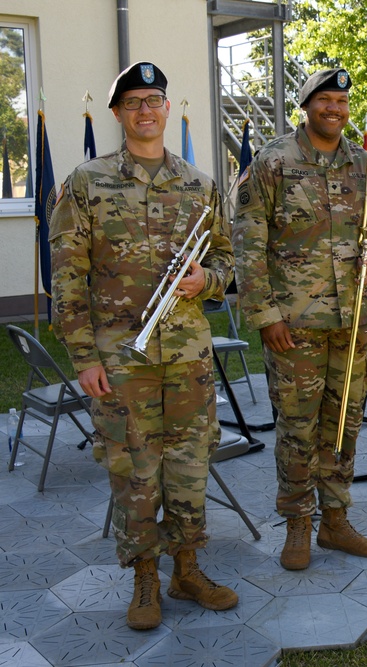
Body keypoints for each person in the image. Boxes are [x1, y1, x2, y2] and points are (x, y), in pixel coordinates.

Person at [49, 62, 238, 630]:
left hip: (187, 356)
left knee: (188, 464)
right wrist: (83, 359)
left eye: (154, 99)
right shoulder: (87, 183)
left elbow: (230, 260)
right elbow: (65, 277)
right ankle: (144, 579)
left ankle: (186, 567)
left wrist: (209, 280)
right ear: (118, 114)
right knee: (134, 470)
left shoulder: (200, 185)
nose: (146, 110)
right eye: (133, 102)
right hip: (119, 359)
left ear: (166, 107)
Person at [233, 68, 367, 571]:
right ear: (306, 105)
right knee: (297, 427)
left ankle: (335, 521)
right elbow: (247, 243)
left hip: (351, 324)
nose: (334, 109)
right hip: (293, 325)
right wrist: (264, 315)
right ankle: (298, 523)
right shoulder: (274, 161)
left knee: (344, 421)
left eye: (341, 101)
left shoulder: (363, 163)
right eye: (324, 100)